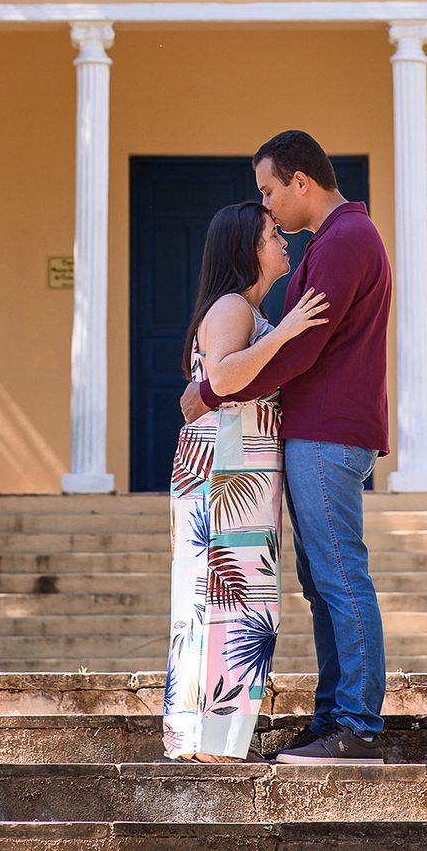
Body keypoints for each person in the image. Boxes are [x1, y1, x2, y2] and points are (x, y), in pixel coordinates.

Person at [180, 129, 392, 764]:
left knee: (338, 576)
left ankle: (356, 724)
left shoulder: (346, 239)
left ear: (302, 182)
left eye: (269, 191)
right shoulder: (337, 241)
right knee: (320, 580)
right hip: (318, 430)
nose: (266, 206)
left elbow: (304, 345)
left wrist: (211, 394)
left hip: (329, 433)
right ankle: (334, 715)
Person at [164, 199, 329, 763]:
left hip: (243, 472)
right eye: (272, 234)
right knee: (226, 605)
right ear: (248, 249)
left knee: (241, 606)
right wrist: (284, 334)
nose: (284, 241)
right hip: (223, 472)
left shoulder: (245, 308)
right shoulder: (233, 305)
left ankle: (213, 741)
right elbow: (223, 377)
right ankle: (210, 744)